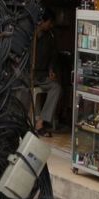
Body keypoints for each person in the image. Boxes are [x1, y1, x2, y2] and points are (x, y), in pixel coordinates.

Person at [31, 8, 62, 136]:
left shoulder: (50, 36)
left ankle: (41, 121)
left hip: (42, 75)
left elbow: (53, 55)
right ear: (42, 22)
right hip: (27, 75)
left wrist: (51, 69)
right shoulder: (30, 34)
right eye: (49, 22)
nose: (50, 25)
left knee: (56, 88)